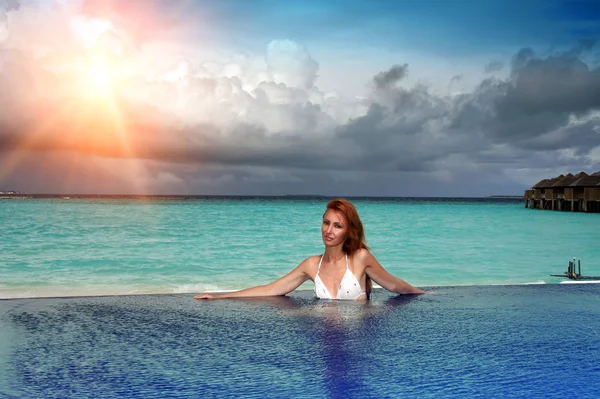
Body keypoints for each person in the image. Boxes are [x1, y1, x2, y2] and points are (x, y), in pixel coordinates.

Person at [193, 198, 425, 300]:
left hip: (359, 342)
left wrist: (422, 293)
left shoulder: (360, 258)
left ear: (349, 231)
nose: (329, 231)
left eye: (337, 226)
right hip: (326, 338)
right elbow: (272, 288)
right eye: (326, 223)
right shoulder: (311, 265)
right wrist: (220, 296)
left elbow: (393, 285)